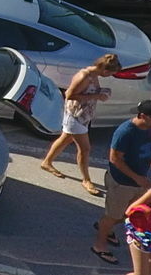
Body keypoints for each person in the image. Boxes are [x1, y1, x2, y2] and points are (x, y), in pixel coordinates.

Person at [42, 53, 122, 196]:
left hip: (82, 115)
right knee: (85, 149)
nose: (110, 76)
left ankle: (47, 162)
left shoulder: (93, 74)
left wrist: (100, 93)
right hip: (76, 116)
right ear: (105, 70)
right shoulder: (84, 77)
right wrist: (96, 96)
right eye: (110, 73)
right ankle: (86, 180)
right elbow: (70, 95)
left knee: (65, 139)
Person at [93, 101, 151, 263]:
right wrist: (137, 178)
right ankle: (100, 245)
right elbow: (115, 158)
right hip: (122, 182)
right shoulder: (126, 132)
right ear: (142, 116)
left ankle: (106, 228)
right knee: (112, 215)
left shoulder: (149, 128)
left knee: (127, 214)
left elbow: (149, 146)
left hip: (139, 181)